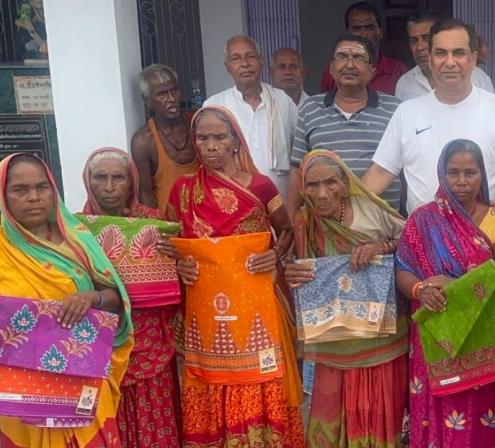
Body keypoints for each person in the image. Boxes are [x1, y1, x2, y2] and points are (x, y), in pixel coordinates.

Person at [167, 106, 303, 446]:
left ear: (235, 141)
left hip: (256, 302)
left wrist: (274, 256)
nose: (211, 145)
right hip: (205, 306)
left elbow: (286, 231)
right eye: (203, 138)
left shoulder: (260, 186)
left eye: (219, 137)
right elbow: (169, 244)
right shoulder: (182, 190)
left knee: (261, 370)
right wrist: (180, 265)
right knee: (209, 376)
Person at [0, 153, 133, 447]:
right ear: (4, 195)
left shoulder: (77, 239)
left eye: (42, 187)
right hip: (18, 389)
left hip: (80, 376)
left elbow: (116, 297)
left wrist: (92, 298)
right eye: (20, 190)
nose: (33, 197)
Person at [395, 139, 495, 447]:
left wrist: (458, 287)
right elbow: (402, 269)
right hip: (435, 330)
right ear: (442, 174)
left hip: (481, 332)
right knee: (437, 404)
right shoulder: (423, 219)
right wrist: (420, 289)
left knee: (483, 408)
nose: (462, 182)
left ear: (482, 176)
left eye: (470, 173)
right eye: (453, 173)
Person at [285, 149, 407, 447]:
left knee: (375, 405)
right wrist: (291, 275)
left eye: (331, 183)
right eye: (312, 185)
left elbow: (411, 240)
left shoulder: (370, 209)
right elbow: (291, 267)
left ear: (345, 182)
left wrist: (381, 245)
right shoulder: (303, 222)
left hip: (379, 334)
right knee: (331, 402)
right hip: (334, 339)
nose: (322, 193)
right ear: (303, 187)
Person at [363, 18, 495, 216]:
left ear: (473, 58)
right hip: (424, 239)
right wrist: (346, 208)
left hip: (483, 236)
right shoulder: (407, 112)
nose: (450, 62)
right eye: (441, 53)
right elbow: (381, 172)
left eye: (459, 53)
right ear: (431, 58)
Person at [80, 147, 181, 447]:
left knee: (154, 412)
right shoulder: (75, 230)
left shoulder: (154, 224)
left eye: (118, 178)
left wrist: (175, 256)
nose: (109, 187)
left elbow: (179, 284)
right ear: (88, 181)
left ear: (132, 182)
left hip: (149, 337)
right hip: (101, 339)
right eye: (100, 178)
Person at [288, 34, 403, 216]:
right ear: (332, 69)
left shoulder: (395, 109)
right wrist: (292, 221)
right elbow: (297, 169)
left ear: (372, 69)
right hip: (325, 224)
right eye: (342, 57)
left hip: (381, 227)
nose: (349, 65)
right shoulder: (310, 109)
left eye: (358, 58)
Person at [204, 35, 297, 198]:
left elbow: (300, 148)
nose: (245, 64)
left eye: (250, 56)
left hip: (280, 201)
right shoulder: (214, 106)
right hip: (235, 202)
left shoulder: (282, 100)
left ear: (261, 61)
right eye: (236, 58)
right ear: (228, 67)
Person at [131, 63, 199, 212]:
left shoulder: (196, 124)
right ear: (146, 100)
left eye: (174, 90)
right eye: (162, 94)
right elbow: (146, 194)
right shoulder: (144, 141)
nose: (171, 98)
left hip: (206, 216)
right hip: (171, 223)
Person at [395, 12, 494, 102]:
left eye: (426, 38)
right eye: (414, 41)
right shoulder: (405, 83)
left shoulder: (479, 78)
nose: (420, 47)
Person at [319, 1, 407, 96]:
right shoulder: (335, 70)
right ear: (348, 34)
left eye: (369, 27)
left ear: (380, 32)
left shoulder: (398, 70)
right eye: (356, 28)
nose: (363, 34)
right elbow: (325, 107)